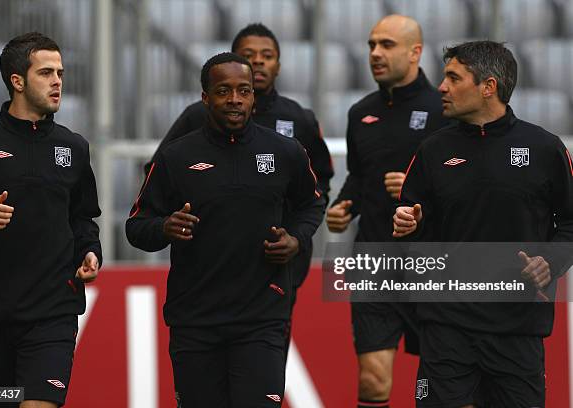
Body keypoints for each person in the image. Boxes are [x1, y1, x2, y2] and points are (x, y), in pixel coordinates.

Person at [126, 52, 325, 407]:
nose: (235, 99)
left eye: (244, 91)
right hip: (195, 322)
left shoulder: (285, 152)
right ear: (205, 97)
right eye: (223, 91)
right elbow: (136, 226)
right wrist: (165, 228)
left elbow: (311, 203)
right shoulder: (175, 157)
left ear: (253, 96)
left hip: (262, 319)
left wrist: (296, 238)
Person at [394, 40, 573, 408]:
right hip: (446, 326)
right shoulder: (433, 150)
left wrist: (551, 262)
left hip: (517, 328)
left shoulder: (545, 149)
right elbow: (410, 228)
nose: (441, 87)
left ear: (488, 86)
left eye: (453, 78)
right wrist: (409, 227)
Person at [155, 22, 333, 349]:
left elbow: (319, 185)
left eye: (268, 55)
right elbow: (157, 173)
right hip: (207, 277)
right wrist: (174, 220)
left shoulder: (299, 119)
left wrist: (295, 234)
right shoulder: (197, 117)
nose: (260, 61)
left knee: (264, 356)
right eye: (250, 54)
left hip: (276, 265)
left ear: (278, 64)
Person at [0, 32, 102, 408]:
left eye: (60, 72)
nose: (57, 81)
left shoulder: (73, 148)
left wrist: (90, 251)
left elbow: (83, 216)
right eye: (45, 73)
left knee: (38, 403)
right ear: (17, 81)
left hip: (52, 315)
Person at [325, 15, 448, 408]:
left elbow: (468, 186)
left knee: (440, 384)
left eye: (387, 45)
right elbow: (360, 176)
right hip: (374, 260)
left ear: (416, 52)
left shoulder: (445, 110)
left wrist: (419, 192)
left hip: (433, 265)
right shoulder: (361, 112)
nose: (375, 53)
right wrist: (343, 206)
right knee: (373, 380)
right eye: (371, 45)